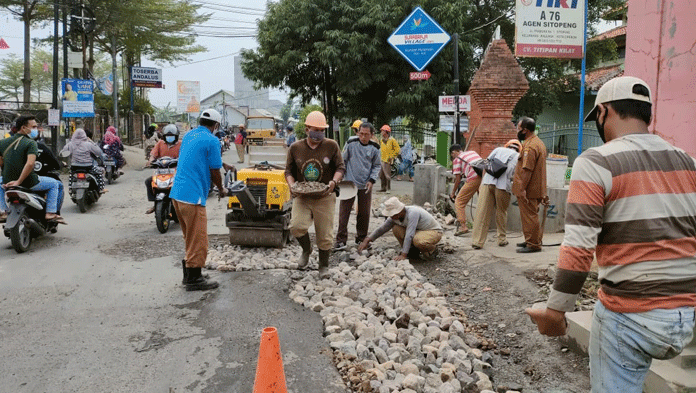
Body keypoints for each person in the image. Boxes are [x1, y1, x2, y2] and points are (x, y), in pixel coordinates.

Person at [526, 75, 696, 393]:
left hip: (630, 315)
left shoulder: (596, 161)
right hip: (684, 319)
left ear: (604, 112)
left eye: (598, 118)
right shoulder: (688, 162)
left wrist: (555, 311)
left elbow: (578, 247)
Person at [170, 109, 232, 291]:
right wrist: (221, 189)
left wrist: (223, 164)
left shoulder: (189, 135)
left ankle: (190, 273)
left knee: (190, 237)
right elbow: (214, 170)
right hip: (192, 197)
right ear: (216, 125)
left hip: (177, 195)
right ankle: (194, 280)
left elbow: (199, 158)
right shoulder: (213, 140)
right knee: (199, 239)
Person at [285, 111, 345, 277]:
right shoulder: (295, 148)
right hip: (302, 196)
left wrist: (334, 182)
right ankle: (306, 249)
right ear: (306, 129)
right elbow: (288, 171)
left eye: (321, 130)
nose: (318, 133)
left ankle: (323, 266)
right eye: (315, 129)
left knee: (325, 235)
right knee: (296, 227)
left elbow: (341, 167)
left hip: (325, 195)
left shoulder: (331, 146)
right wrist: (291, 185)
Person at [0, 116, 65, 224]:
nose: (37, 129)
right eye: (34, 127)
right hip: (29, 181)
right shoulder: (31, 143)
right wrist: (18, 181)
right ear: (24, 128)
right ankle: (50, 213)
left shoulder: (2, 142)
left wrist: (9, 175)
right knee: (54, 184)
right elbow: (30, 164)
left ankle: (3, 211)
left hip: (7, 181)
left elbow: (1, 163)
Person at [334, 122, 381, 251]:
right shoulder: (350, 143)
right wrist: (341, 177)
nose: (363, 137)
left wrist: (372, 180)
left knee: (364, 213)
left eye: (366, 134)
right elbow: (343, 160)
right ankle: (341, 240)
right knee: (344, 212)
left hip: (365, 184)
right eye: (361, 134)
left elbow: (377, 165)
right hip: (349, 183)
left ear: (371, 135)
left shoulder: (375, 148)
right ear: (357, 133)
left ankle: (361, 238)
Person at [470, 139, 521, 249]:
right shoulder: (518, 156)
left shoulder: (497, 150)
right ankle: (501, 239)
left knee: (482, 212)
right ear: (518, 148)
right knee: (501, 212)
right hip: (503, 186)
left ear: (507, 145)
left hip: (487, 182)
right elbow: (514, 174)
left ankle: (477, 242)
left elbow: (485, 165)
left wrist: (482, 182)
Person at [358, 197, 442, 260]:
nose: (391, 216)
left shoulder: (413, 213)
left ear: (399, 212)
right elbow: (382, 229)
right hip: (418, 231)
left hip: (433, 231)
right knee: (396, 228)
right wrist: (367, 240)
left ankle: (432, 250)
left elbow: (409, 234)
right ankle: (412, 250)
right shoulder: (394, 217)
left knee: (419, 241)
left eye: (393, 214)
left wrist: (403, 255)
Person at [512, 116, 547, 253]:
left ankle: (533, 244)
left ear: (525, 130)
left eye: (519, 128)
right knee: (530, 216)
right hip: (535, 187)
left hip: (529, 189)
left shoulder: (530, 146)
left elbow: (527, 169)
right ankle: (530, 239)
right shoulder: (537, 143)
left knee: (530, 217)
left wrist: (522, 189)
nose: (517, 131)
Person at [144, 124, 182, 214]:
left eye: (172, 136)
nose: (170, 138)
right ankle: (155, 203)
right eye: (168, 136)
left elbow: (185, 156)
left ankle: (183, 204)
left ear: (176, 136)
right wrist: (150, 161)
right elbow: (153, 154)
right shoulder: (160, 143)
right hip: (161, 171)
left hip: (176, 172)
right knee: (149, 181)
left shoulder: (181, 144)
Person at [449, 144, 482, 236]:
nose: (453, 156)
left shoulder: (457, 160)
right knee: (482, 202)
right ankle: (481, 226)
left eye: (452, 155)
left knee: (459, 201)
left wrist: (453, 193)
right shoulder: (472, 152)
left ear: (454, 152)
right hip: (484, 176)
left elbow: (458, 179)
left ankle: (463, 226)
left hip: (473, 178)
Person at [61, 128, 106, 192]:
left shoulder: (71, 144)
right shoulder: (88, 144)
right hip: (87, 166)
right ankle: (101, 188)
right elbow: (99, 152)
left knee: (71, 175)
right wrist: (91, 141)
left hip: (75, 167)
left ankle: (70, 189)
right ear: (84, 135)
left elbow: (64, 152)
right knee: (99, 173)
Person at [378, 125, 399, 193]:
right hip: (382, 160)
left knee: (387, 175)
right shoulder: (381, 141)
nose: (381, 132)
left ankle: (388, 188)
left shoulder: (392, 140)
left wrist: (392, 156)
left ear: (386, 132)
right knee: (381, 175)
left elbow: (397, 150)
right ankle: (383, 187)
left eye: (382, 131)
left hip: (388, 160)